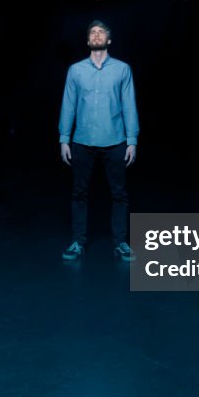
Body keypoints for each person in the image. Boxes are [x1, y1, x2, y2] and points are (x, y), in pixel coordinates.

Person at [58, 20, 139, 262]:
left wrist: (132, 139)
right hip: (82, 140)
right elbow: (68, 104)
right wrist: (64, 138)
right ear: (87, 41)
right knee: (79, 193)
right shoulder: (75, 70)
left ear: (109, 40)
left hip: (115, 140)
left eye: (101, 32)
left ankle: (121, 243)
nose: (96, 35)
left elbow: (129, 105)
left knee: (119, 194)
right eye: (92, 32)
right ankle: (78, 242)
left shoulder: (123, 69)